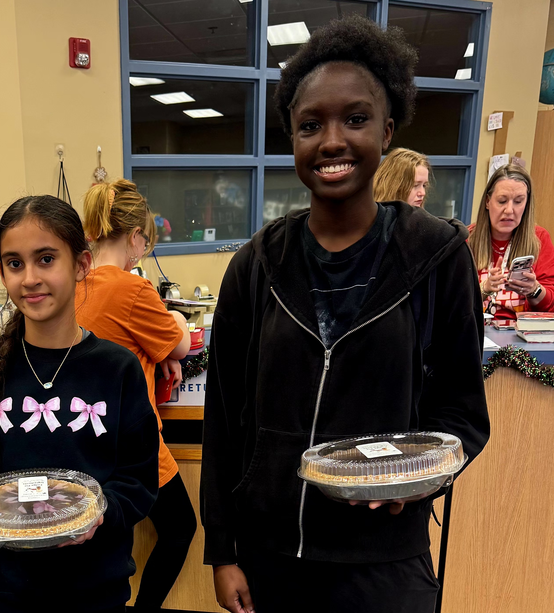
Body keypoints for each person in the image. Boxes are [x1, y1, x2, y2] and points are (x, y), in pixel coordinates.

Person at [200, 15, 490, 613]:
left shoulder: (434, 256)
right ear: (293, 141)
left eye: (355, 119)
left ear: (387, 132)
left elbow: (461, 413)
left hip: (385, 559)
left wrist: (417, 481)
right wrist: (223, 551)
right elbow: (224, 422)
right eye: (311, 125)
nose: (332, 140)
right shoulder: (257, 264)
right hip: (273, 554)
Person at [0, 195, 159, 613]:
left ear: (81, 265)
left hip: (97, 587)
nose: (30, 278)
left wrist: (99, 513)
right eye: (15, 263)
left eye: (45, 259)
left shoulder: (117, 369)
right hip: (10, 591)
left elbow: (138, 478)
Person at [76, 179, 196, 613]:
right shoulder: (134, 289)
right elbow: (180, 342)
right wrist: (174, 330)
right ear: (134, 237)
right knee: (182, 527)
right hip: (134, 442)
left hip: (86, 439)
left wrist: (154, 348)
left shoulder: (77, 282)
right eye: (145, 242)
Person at [468, 163, 554, 319]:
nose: (509, 210)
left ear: (527, 204)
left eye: (518, 201)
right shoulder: (467, 239)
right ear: (488, 202)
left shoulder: (539, 238)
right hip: (476, 331)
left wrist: (534, 290)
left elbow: (550, 305)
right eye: (502, 201)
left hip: (521, 334)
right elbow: (451, 301)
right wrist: (483, 290)